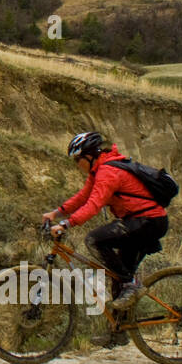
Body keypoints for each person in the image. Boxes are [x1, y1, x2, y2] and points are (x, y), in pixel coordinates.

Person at [42, 131, 169, 348]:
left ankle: (131, 285)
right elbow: (83, 197)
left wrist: (66, 224)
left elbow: (93, 205)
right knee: (118, 277)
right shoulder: (99, 171)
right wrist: (56, 213)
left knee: (94, 240)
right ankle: (118, 332)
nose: (76, 165)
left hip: (148, 222)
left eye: (77, 160)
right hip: (139, 222)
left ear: (89, 156)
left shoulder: (108, 172)